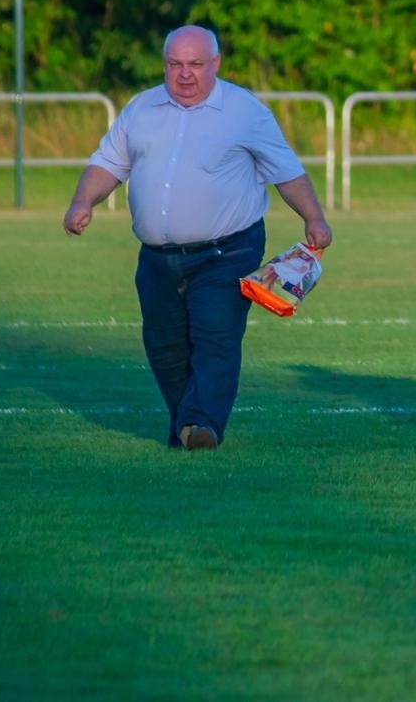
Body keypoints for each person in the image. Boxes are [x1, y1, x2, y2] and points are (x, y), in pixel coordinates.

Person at [63, 25, 333, 451]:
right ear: (165, 64)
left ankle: (202, 425)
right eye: (175, 64)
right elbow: (108, 164)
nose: (184, 74)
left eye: (195, 64)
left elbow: (286, 170)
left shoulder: (245, 111)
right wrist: (83, 202)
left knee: (216, 335)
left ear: (216, 64)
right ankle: (187, 426)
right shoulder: (141, 109)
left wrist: (313, 218)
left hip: (228, 250)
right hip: (157, 257)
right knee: (164, 345)